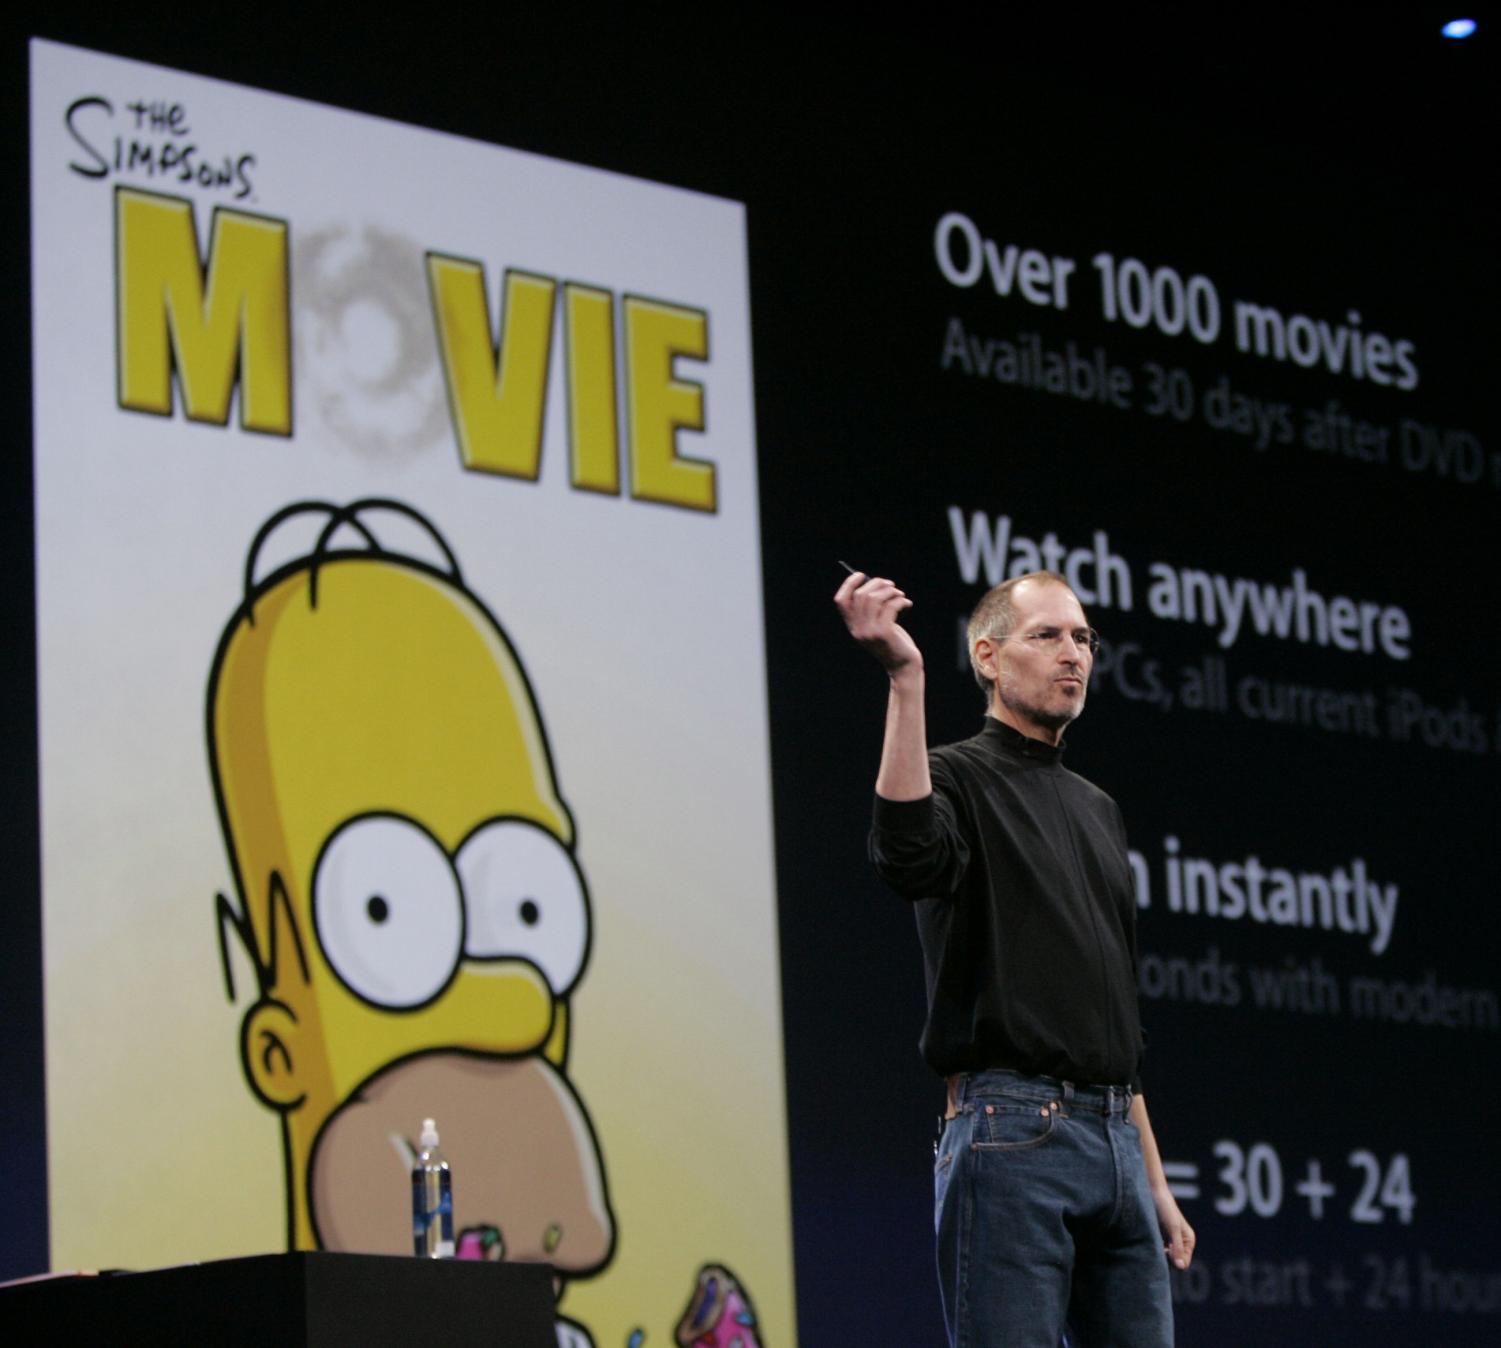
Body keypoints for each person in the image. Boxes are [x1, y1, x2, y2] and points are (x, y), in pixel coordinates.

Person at [834, 567, 1195, 1348]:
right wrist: (905, 679)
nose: (1073, 654)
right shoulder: (956, 776)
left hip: (1116, 1147)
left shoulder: (1097, 809)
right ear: (988, 658)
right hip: (1012, 1133)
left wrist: (1154, 1181)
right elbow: (907, 859)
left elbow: (1111, 1022)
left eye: (1082, 638)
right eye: (1047, 635)